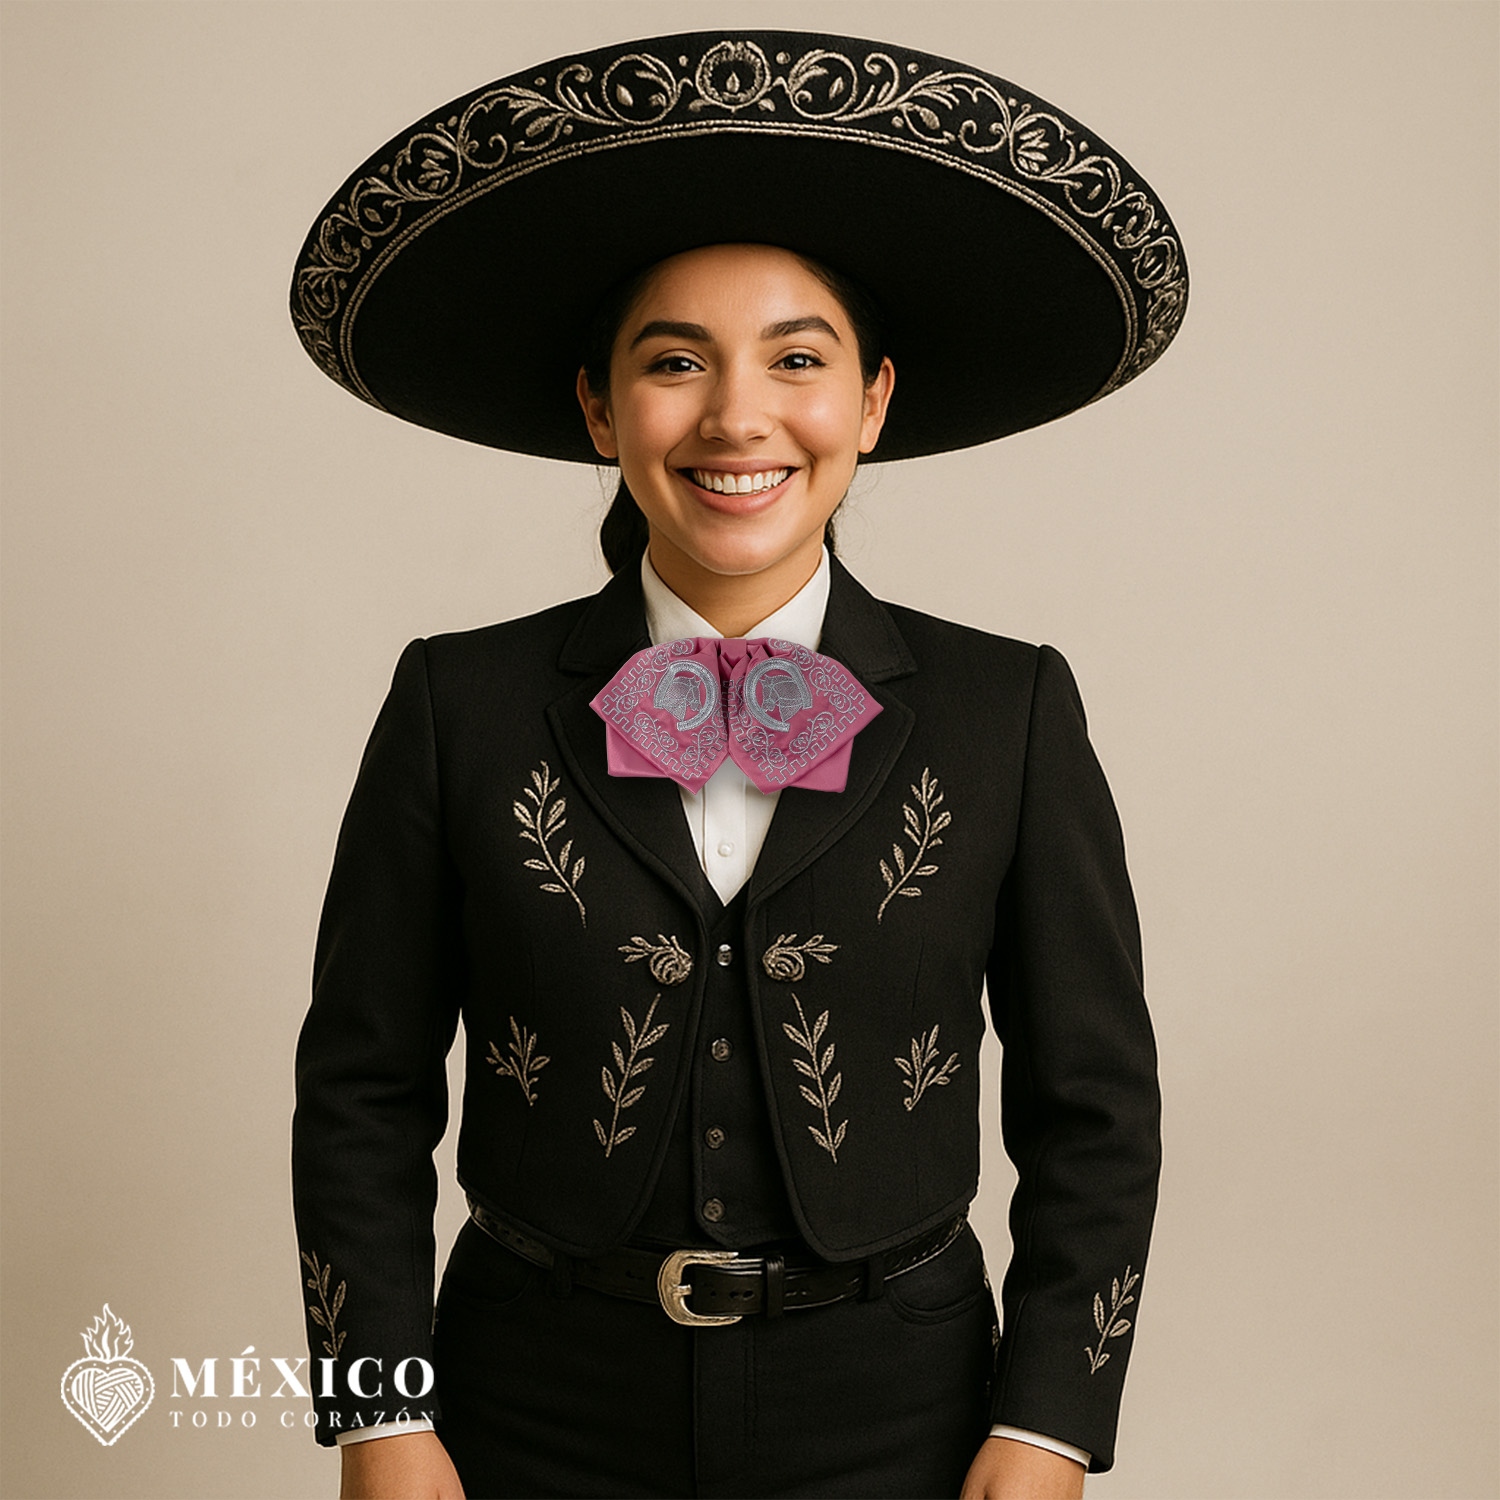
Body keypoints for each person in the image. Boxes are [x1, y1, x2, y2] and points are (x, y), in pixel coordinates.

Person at [290, 28, 1185, 1500]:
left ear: (874, 403)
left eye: (795, 359)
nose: (735, 417)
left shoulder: (1004, 707)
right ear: (598, 408)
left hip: (896, 1407)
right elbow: (360, 1087)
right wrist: (379, 1417)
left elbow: (1097, 1106)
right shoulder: (460, 700)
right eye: (673, 363)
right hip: (531, 1402)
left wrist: (1049, 1429)